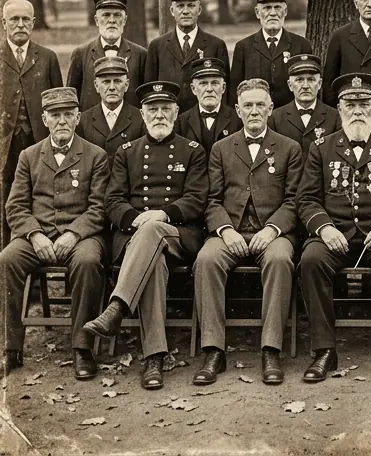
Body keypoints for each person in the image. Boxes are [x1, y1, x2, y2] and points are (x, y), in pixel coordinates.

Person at [82, 81, 209, 390]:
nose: (160, 115)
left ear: (176, 112)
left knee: (154, 231)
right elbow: (112, 201)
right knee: (155, 264)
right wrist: (137, 220)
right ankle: (154, 358)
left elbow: (196, 199)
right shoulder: (128, 152)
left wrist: (162, 215)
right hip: (134, 237)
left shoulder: (192, 151)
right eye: (153, 109)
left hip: (178, 235)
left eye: (166, 109)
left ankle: (117, 308)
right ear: (142, 114)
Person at [295, 73, 371, 384]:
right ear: (339, 108)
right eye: (350, 104)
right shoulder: (321, 148)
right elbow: (306, 199)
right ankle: (324, 350)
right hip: (334, 234)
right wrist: (325, 229)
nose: (357, 110)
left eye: (364, 103)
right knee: (310, 260)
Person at [193, 79, 302, 386]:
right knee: (206, 259)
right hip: (231, 231)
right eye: (248, 106)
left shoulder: (289, 148)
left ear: (271, 109)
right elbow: (211, 200)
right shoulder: (221, 149)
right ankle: (213, 349)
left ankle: (271, 349)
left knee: (280, 260)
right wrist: (226, 231)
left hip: (273, 233)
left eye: (260, 105)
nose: (254, 111)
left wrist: (272, 230)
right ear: (238, 111)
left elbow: (294, 201)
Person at [0, 87, 108, 379]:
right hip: (37, 236)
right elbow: (16, 207)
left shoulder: (95, 155)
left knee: (88, 262)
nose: (61, 121)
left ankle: (81, 347)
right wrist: (35, 235)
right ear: (45, 119)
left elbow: (99, 208)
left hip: (81, 237)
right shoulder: (29, 156)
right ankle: (12, 347)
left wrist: (73, 234)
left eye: (67, 115)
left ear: (77, 118)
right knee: (7, 259)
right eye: (55, 115)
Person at [1, 0, 64, 211]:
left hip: (39, 141)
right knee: (5, 196)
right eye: (14, 19)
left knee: (40, 195)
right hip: (4, 145)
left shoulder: (48, 58)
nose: (20, 24)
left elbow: (59, 107)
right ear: (4, 23)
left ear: (33, 22)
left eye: (25, 19)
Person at [143, 0, 231, 113]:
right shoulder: (157, 46)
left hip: (202, 119)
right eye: (180, 6)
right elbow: (149, 90)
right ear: (172, 11)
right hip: (169, 118)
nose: (185, 11)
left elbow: (225, 90)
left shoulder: (216, 45)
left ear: (199, 9)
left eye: (191, 5)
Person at [229, 0, 313, 108]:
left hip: (290, 119)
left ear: (285, 11)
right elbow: (234, 92)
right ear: (257, 12)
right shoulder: (244, 47)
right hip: (256, 117)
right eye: (267, 8)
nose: (273, 13)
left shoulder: (301, 45)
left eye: (277, 7)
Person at [66, 0, 146, 111]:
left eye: (117, 15)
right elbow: (72, 98)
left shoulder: (140, 55)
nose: (112, 20)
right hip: (90, 127)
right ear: (97, 20)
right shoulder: (80, 54)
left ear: (124, 20)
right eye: (106, 15)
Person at [266, 54, 341, 150]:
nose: (305, 86)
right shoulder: (275, 118)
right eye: (299, 80)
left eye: (311, 79)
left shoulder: (335, 117)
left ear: (319, 84)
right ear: (290, 85)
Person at [74, 57, 145, 155]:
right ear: (96, 86)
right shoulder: (83, 121)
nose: (112, 87)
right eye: (106, 82)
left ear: (127, 85)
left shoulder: (141, 119)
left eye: (117, 81)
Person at [174, 58, 242, 155]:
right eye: (203, 83)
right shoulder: (181, 122)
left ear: (223, 88)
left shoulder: (237, 120)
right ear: (193, 89)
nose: (209, 89)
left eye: (214, 83)